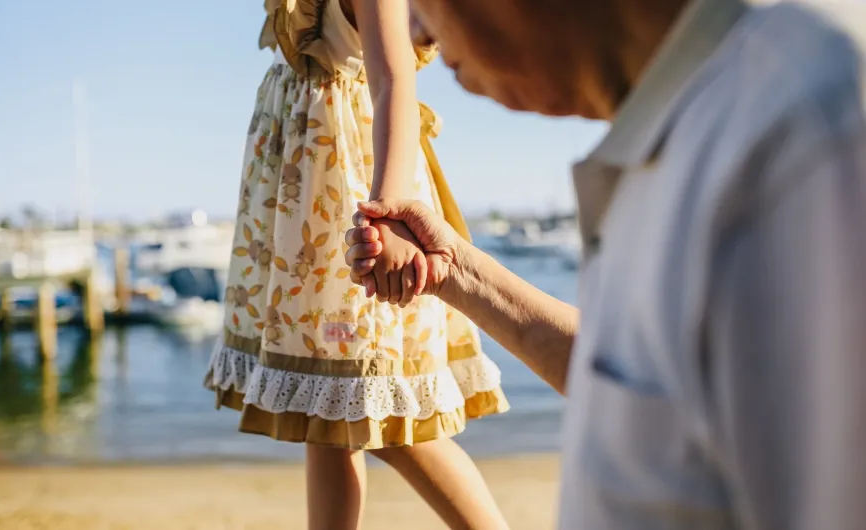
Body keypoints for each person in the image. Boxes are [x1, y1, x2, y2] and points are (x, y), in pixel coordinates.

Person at [347, 0, 866, 528]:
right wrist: (458, 273)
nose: (413, 28)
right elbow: (655, 394)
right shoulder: (687, 124)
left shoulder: (804, 135)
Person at [203, 1, 510, 529]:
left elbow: (395, 82)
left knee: (388, 410)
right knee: (325, 409)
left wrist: (387, 213)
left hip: (346, 192)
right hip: (303, 203)